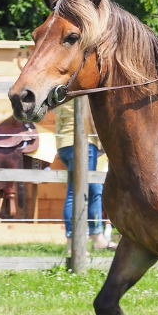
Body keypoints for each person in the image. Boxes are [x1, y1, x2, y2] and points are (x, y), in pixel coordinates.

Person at [54, 100, 116, 251]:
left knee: (94, 190)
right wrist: (104, 141)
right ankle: (73, 243)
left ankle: (97, 238)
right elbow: (92, 118)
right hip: (83, 143)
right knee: (76, 193)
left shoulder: (63, 90)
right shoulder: (84, 91)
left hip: (63, 144)